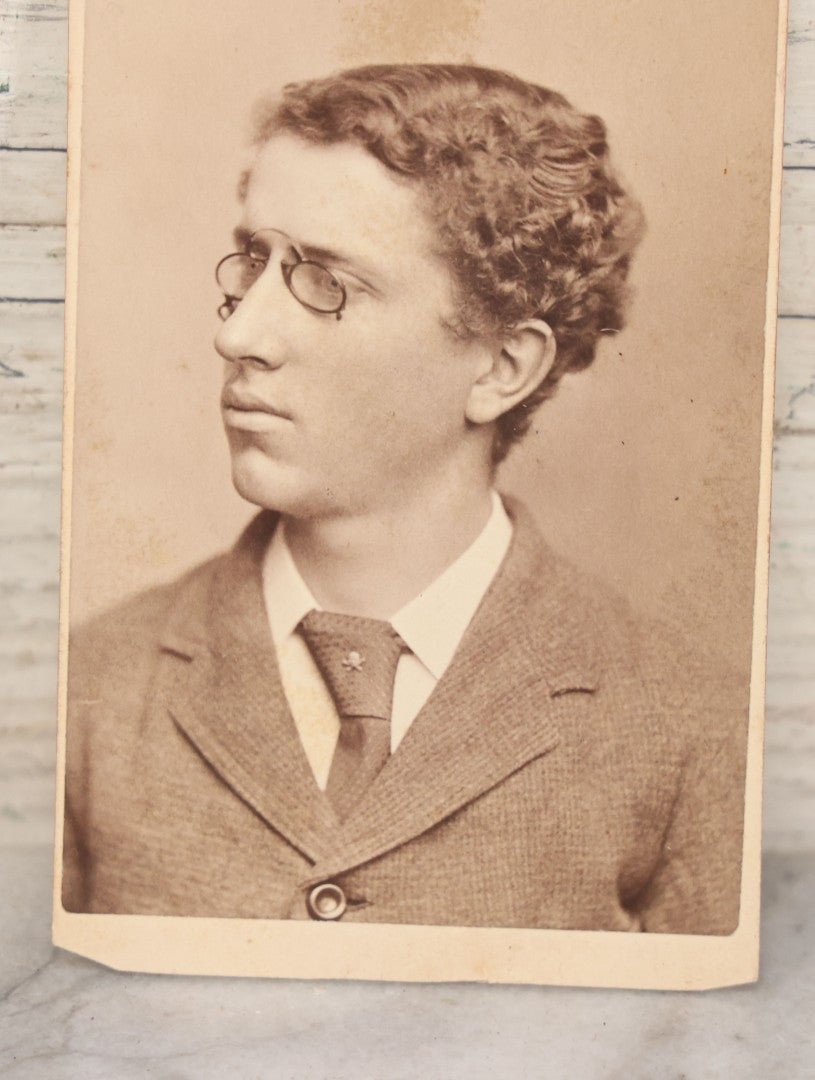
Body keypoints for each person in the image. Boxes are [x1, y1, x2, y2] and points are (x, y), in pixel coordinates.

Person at [62, 63, 747, 933]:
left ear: (502, 366)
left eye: (326, 282)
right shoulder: (91, 686)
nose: (235, 332)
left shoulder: (690, 730)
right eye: (255, 261)